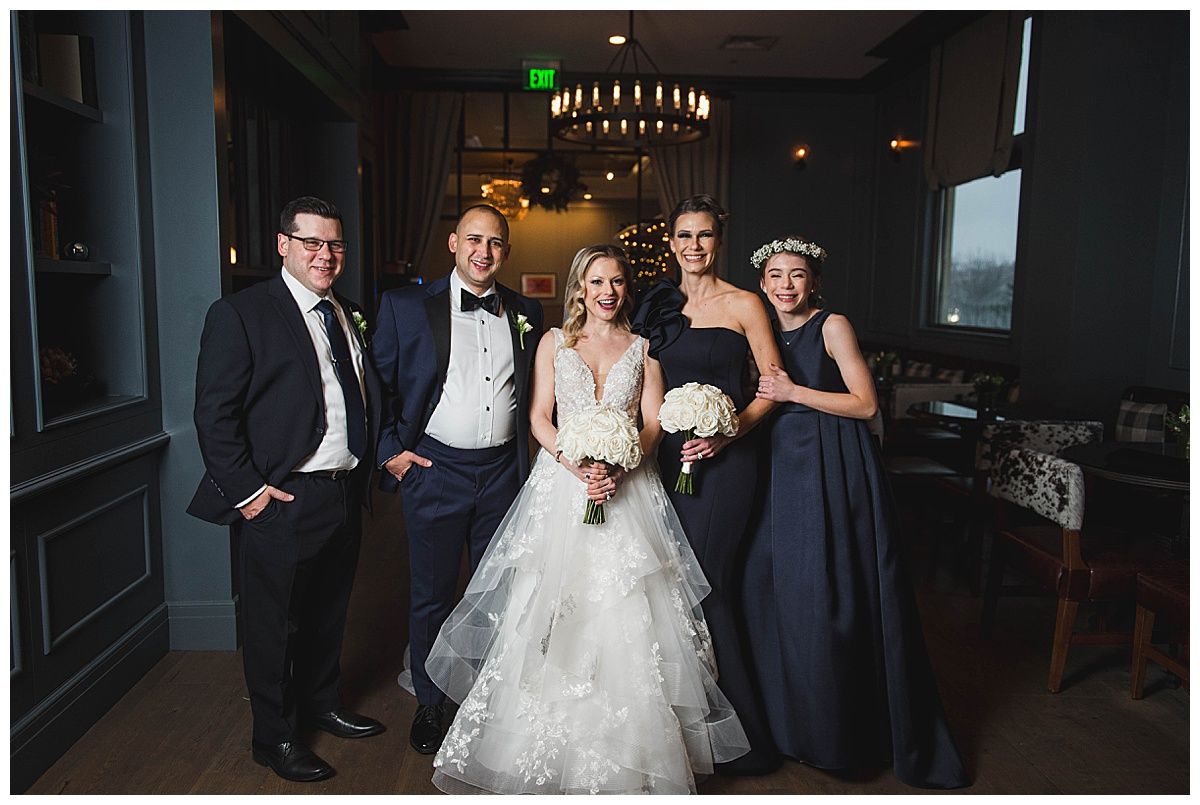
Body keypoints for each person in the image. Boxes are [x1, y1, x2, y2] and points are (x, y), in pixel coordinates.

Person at [424, 244, 749, 794]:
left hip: (629, 491)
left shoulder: (644, 349)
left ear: (627, 289)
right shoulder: (554, 343)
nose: (607, 292)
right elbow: (537, 418)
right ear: (580, 287)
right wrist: (578, 468)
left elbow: (651, 423)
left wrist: (624, 462)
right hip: (562, 490)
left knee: (627, 612)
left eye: (617, 282)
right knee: (549, 609)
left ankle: (627, 756)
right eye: (597, 281)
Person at [746, 236, 970, 789]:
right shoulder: (760, 329)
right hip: (776, 467)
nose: (785, 285)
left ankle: (837, 735)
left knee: (828, 595)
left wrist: (796, 392)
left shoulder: (831, 325)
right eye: (775, 275)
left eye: (796, 275)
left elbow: (865, 403)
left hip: (830, 465)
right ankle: (783, 727)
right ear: (762, 283)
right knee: (770, 591)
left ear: (813, 281)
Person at [188, 196, 386, 783]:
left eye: (335, 245)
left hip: (342, 491)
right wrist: (249, 493)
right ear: (284, 245)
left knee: (328, 611)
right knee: (275, 625)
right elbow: (213, 416)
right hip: (282, 497)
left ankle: (322, 704)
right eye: (312, 244)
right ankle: (273, 738)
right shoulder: (242, 313)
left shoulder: (345, 311)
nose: (326, 256)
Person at [371, 204, 544, 755]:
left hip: (503, 475)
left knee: (497, 592)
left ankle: (486, 701)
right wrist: (390, 453)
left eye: (495, 243)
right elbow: (375, 387)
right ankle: (430, 700)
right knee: (432, 593)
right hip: (434, 469)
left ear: (506, 252)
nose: (483, 252)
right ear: (452, 243)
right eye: (474, 240)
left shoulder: (526, 311)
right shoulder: (404, 306)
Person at [630, 194, 782, 775]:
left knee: (707, 586)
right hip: (662, 462)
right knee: (664, 589)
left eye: (705, 236)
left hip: (726, 464)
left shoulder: (745, 304)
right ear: (670, 242)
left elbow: (773, 385)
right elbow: (641, 381)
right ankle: (680, 737)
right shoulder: (655, 305)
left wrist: (729, 433)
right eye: (684, 236)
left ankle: (741, 741)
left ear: (719, 242)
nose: (694, 246)